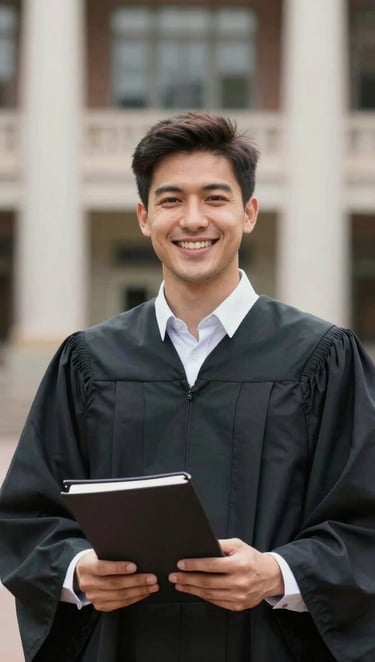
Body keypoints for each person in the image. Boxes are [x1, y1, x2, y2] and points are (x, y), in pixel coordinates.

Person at [0, 112, 374, 662]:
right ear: (143, 217)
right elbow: (26, 515)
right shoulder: (88, 361)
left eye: (215, 198)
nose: (193, 219)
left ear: (248, 214)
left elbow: (364, 519)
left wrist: (278, 573)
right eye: (171, 200)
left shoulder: (321, 358)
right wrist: (77, 572)